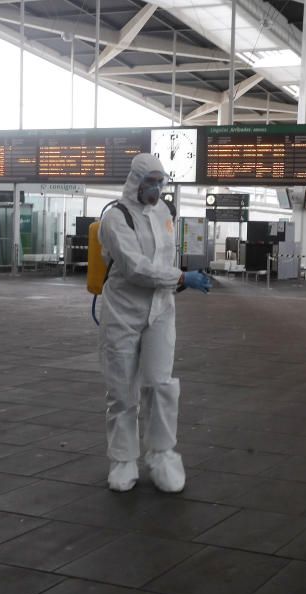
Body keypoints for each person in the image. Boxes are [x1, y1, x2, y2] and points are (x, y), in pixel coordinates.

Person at [98, 153, 211, 493]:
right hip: (123, 311)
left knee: (161, 384)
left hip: (161, 309)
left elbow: (163, 257)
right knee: (122, 389)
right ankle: (123, 459)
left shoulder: (163, 213)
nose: (157, 189)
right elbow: (135, 268)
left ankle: (162, 454)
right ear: (136, 181)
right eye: (151, 182)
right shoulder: (115, 219)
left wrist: (176, 280)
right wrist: (181, 277)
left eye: (161, 182)